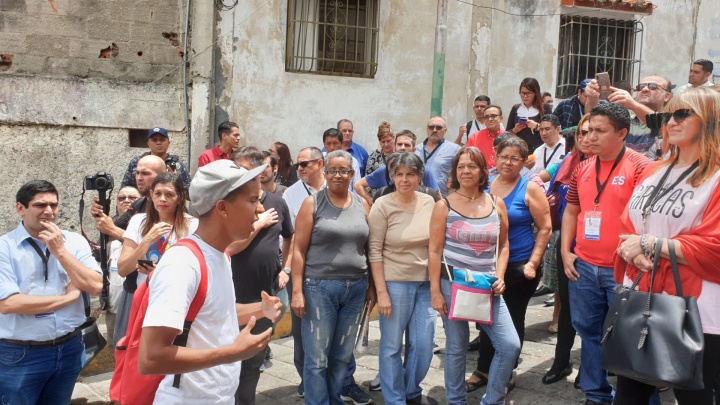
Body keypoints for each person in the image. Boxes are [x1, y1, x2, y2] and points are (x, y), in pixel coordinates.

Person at [138, 159, 281, 404]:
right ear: (223, 208)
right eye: (252, 200)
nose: (259, 210)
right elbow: (150, 358)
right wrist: (232, 353)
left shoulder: (220, 254)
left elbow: (213, 314)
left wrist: (260, 309)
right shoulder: (183, 264)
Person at [612, 88, 720, 404]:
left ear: (710, 120)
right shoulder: (654, 169)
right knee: (628, 394)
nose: (671, 121)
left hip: (695, 309)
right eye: (670, 114)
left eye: (682, 113)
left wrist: (648, 244)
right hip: (640, 295)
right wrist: (628, 248)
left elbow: (715, 248)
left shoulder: (716, 178)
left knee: (693, 398)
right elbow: (626, 225)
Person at [561, 102, 650, 405]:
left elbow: (646, 218)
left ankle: (641, 400)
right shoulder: (583, 167)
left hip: (623, 269)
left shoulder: (640, 167)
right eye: (588, 131)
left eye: (600, 131)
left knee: (629, 339)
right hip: (584, 265)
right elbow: (573, 210)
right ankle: (596, 394)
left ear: (622, 133)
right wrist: (566, 251)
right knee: (587, 332)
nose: (591, 137)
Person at [428, 146, 520, 405]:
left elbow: (503, 245)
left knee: (509, 345)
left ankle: (492, 400)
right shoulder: (443, 205)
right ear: (455, 172)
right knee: (456, 348)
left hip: (487, 286)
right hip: (452, 286)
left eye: (472, 166)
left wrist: (500, 275)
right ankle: (456, 401)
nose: (466, 171)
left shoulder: (496, 203)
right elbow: (434, 252)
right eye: (461, 167)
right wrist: (435, 292)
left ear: (482, 171)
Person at [0, 180, 103, 404]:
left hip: (69, 349)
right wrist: (68, 298)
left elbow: (95, 285)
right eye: (40, 205)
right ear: (20, 208)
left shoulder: (73, 242)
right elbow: (9, 304)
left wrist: (59, 251)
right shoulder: (4, 247)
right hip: (20, 355)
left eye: (54, 205)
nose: (49, 211)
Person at [282, 147, 372, 403]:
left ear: (352, 174)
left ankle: (334, 399)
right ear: (325, 171)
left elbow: (368, 248)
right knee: (318, 357)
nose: (337, 176)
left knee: (342, 355)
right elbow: (298, 250)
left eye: (343, 171)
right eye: (332, 171)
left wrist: (372, 287)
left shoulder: (362, 204)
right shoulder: (313, 203)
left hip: (355, 289)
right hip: (319, 288)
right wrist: (297, 291)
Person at [466, 136, 552, 393]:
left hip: (518, 265)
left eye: (515, 158)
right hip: (486, 263)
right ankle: (483, 368)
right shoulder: (487, 184)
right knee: (484, 319)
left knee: (512, 319)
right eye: (504, 157)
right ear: (496, 157)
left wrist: (533, 263)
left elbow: (545, 227)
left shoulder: (530, 188)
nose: (508, 162)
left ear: (524, 162)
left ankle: (507, 372)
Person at [369, 152, 439, 405]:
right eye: (399, 174)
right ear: (391, 176)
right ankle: (395, 399)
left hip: (425, 284)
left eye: (410, 174)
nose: (405, 179)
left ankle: (411, 393)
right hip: (395, 283)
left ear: (420, 177)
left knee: (423, 345)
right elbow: (374, 251)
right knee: (390, 348)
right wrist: (382, 292)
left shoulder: (430, 202)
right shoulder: (383, 205)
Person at [228, 147, 294, 405]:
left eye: (244, 171)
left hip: (264, 296)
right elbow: (229, 248)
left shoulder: (278, 202)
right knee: (227, 362)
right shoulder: (228, 203)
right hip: (232, 297)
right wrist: (259, 224)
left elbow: (290, 236)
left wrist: (285, 268)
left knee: (253, 363)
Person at [114, 173, 198, 346]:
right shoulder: (138, 222)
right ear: (151, 195)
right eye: (158, 193)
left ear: (180, 197)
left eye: (169, 194)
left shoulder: (193, 226)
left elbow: (198, 272)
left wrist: (159, 272)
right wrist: (146, 240)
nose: (162, 199)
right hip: (145, 300)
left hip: (177, 302)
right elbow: (123, 269)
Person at [541, 115, 594, 385]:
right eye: (581, 133)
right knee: (567, 307)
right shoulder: (568, 163)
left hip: (595, 250)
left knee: (593, 313)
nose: (585, 138)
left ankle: (593, 366)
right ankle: (561, 361)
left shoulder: (604, 166)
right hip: (566, 246)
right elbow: (553, 197)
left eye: (591, 133)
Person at [587, 75, 674, 160]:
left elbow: (662, 125)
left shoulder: (674, 119)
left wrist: (634, 105)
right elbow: (592, 120)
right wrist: (592, 98)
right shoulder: (624, 115)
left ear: (667, 96)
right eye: (641, 86)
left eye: (653, 86)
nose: (645, 89)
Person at [354, 130, 440, 205]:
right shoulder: (384, 170)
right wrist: (371, 201)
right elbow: (358, 185)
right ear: (395, 148)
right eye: (399, 144)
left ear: (413, 150)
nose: (402, 148)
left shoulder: (424, 170)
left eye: (406, 145)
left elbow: (438, 198)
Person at [92, 155, 167, 238]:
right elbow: (112, 230)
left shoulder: (168, 205)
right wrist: (100, 214)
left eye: (145, 173)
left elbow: (155, 243)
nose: (139, 178)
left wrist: (113, 230)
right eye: (137, 173)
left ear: (162, 175)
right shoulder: (138, 205)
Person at [106, 185, 141, 346]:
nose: (126, 201)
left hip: (135, 302)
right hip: (113, 307)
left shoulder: (142, 228)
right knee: (116, 351)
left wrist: (114, 231)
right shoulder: (107, 232)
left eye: (132, 198)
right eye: (121, 198)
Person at [120, 127, 191, 191]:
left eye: (162, 140)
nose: (158, 143)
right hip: (141, 204)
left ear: (168, 143)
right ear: (148, 143)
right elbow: (125, 189)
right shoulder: (137, 162)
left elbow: (189, 194)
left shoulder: (176, 165)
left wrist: (175, 181)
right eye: (154, 140)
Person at [416, 116, 461, 197]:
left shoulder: (455, 149)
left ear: (445, 130)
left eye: (439, 127)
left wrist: (452, 178)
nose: (434, 130)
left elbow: (461, 168)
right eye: (431, 127)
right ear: (427, 129)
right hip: (418, 197)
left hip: (442, 197)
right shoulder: (416, 150)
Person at [507, 77, 553, 151]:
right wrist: (515, 130)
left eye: (528, 93)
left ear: (535, 93)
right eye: (522, 93)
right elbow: (507, 133)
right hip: (519, 151)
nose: (525, 96)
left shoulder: (545, 108)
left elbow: (553, 130)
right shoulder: (516, 108)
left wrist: (537, 126)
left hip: (540, 150)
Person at [466, 105, 510, 169]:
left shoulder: (509, 138)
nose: (490, 119)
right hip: (482, 176)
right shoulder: (475, 137)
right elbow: (468, 158)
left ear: (501, 119)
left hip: (503, 176)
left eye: (493, 116)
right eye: (486, 117)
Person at [532, 114, 566, 185]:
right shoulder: (538, 151)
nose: (544, 133)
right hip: (539, 191)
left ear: (558, 129)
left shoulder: (567, 147)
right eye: (541, 129)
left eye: (547, 129)